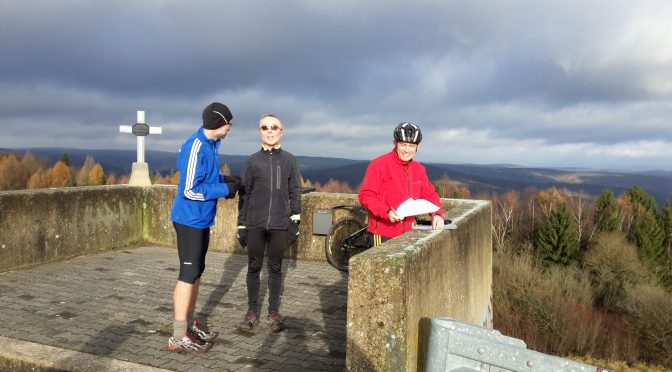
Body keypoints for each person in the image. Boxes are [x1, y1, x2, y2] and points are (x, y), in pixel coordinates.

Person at [168, 102, 241, 353]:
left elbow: (205, 179)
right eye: (229, 123)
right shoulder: (196, 146)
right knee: (187, 275)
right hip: (188, 220)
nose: (230, 128)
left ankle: (189, 324)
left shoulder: (210, 145)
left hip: (200, 219)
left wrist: (227, 181)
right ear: (219, 123)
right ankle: (178, 335)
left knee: (196, 272)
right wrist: (223, 189)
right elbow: (189, 189)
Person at [236, 113, 302, 333]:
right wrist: (241, 225)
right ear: (260, 132)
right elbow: (244, 195)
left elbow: (295, 192)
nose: (270, 130)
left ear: (281, 132)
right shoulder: (252, 161)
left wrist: (295, 221)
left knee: (275, 269)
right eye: (265, 127)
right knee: (254, 267)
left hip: (279, 225)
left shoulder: (289, 160)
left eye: (274, 127)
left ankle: (273, 312)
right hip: (255, 223)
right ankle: (252, 311)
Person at [358, 122, 444, 246]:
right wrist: (387, 212)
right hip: (383, 233)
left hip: (409, 233)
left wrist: (437, 214)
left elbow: (429, 194)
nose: (407, 150)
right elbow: (366, 196)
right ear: (395, 143)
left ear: (417, 147)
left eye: (411, 146)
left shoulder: (418, 169)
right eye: (403, 145)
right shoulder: (379, 165)